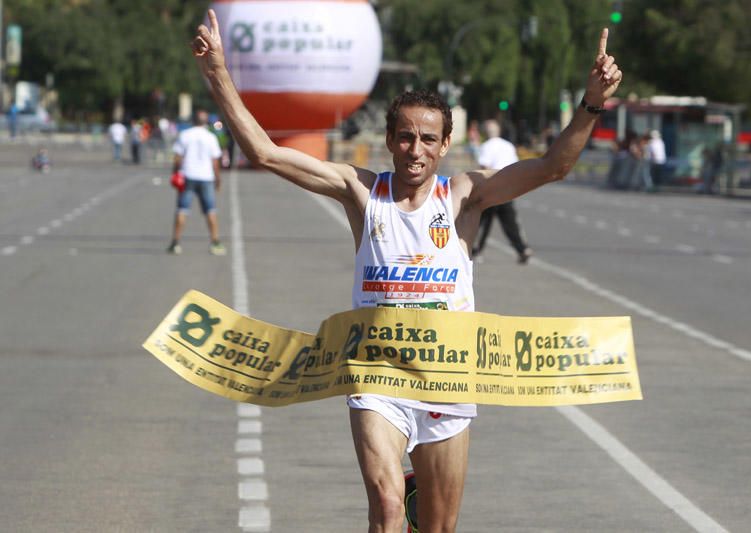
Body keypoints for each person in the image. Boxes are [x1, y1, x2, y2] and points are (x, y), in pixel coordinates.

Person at [191, 9, 621, 531]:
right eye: (404, 137)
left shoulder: (463, 195)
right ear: (390, 139)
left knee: (438, 527)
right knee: (387, 506)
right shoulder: (361, 191)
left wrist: (592, 103)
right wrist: (217, 70)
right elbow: (264, 153)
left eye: (426, 140)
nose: (414, 150)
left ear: (444, 145)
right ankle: (400, 499)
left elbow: (554, 166)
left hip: (447, 381)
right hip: (377, 377)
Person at [472, 119, 533, 264]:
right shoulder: (508, 146)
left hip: (491, 187)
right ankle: (522, 249)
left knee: (483, 222)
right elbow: (516, 166)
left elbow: (484, 167)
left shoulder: (486, 146)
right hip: (507, 188)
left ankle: (476, 250)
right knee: (510, 222)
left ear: (486, 132)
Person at [167, 109, 226, 256]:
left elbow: (178, 158)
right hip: (206, 176)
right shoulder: (211, 137)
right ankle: (215, 241)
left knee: (182, 209)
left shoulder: (185, 135)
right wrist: (218, 179)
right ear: (206, 122)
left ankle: (175, 242)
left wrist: (175, 174)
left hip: (188, 175)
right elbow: (215, 161)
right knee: (210, 210)